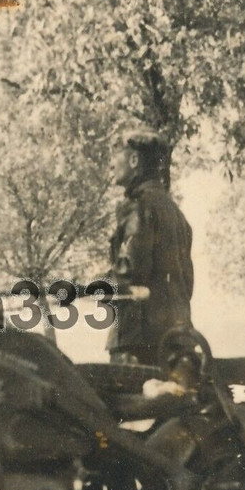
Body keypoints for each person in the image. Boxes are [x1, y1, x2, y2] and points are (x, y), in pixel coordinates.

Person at [106, 129, 194, 367]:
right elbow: (186, 281)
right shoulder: (177, 214)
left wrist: (89, 285)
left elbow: (130, 272)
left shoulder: (139, 207)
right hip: (177, 336)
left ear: (134, 161)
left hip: (137, 339)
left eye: (115, 155)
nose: (111, 165)